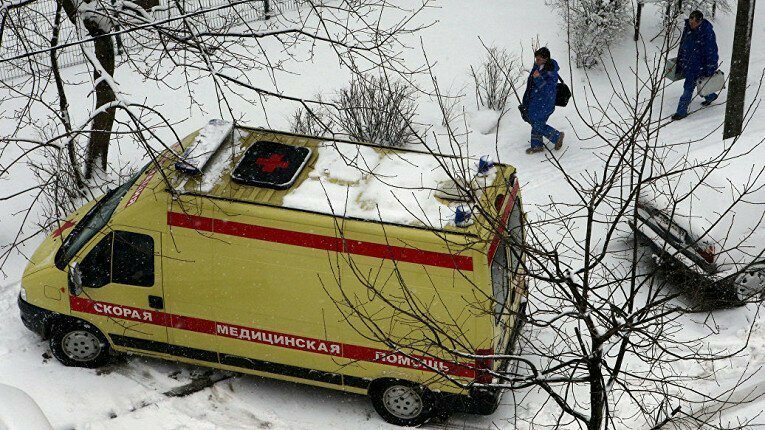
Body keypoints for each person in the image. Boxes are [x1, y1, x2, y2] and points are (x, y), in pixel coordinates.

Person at [672, 10, 719, 121]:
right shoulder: (687, 28)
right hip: (689, 63)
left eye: (694, 23)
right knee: (701, 84)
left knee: (688, 88)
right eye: (690, 21)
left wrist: (711, 67)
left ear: (700, 21)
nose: (691, 24)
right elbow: (683, 45)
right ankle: (711, 96)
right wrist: (680, 60)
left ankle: (681, 112)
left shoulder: (707, 33)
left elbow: (711, 51)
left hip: (699, 65)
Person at [520, 47, 564, 154]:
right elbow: (531, 85)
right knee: (536, 121)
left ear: (546, 59)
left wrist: (538, 78)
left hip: (545, 102)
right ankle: (537, 146)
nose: (536, 61)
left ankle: (557, 136)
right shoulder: (538, 66)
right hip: (535, 101)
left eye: (539, 59)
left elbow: (548, 90)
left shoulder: (551, 71)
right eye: (536, 59)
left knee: (537, 123)